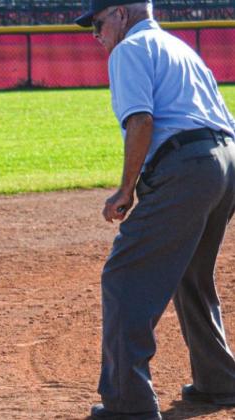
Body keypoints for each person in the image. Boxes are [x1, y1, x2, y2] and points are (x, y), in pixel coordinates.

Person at [75, 1, 235, 418]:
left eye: (97, 24)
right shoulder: (180, 48)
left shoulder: (129, 49)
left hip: (187, 167)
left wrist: (126, 189)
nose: (96, 36)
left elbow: (141, 121)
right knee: (191, 274)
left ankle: (128, 404)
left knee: (124, 276)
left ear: (121, 14)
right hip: (225, 163)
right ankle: (219, 381)